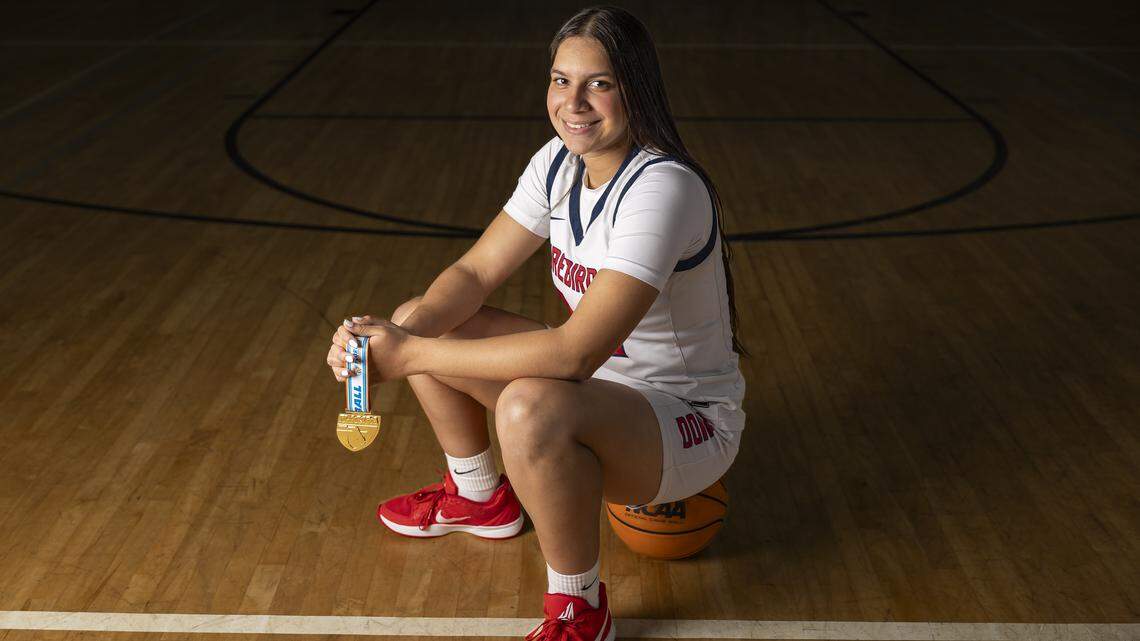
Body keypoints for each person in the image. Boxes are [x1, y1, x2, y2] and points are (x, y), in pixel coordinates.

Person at [326, 6, 747, 640]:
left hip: (684, 417)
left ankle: (580, 607)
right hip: (603, 388)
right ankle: (479, 496)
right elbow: (471, 276)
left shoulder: (663, 188)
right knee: (422, 315)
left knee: (526, 404)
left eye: (599, 83)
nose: (573, 102)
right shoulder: (557, 162)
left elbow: (574, 354)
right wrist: (395, 337)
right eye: (560, 80)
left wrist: (409, 357)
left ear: (637, 86)